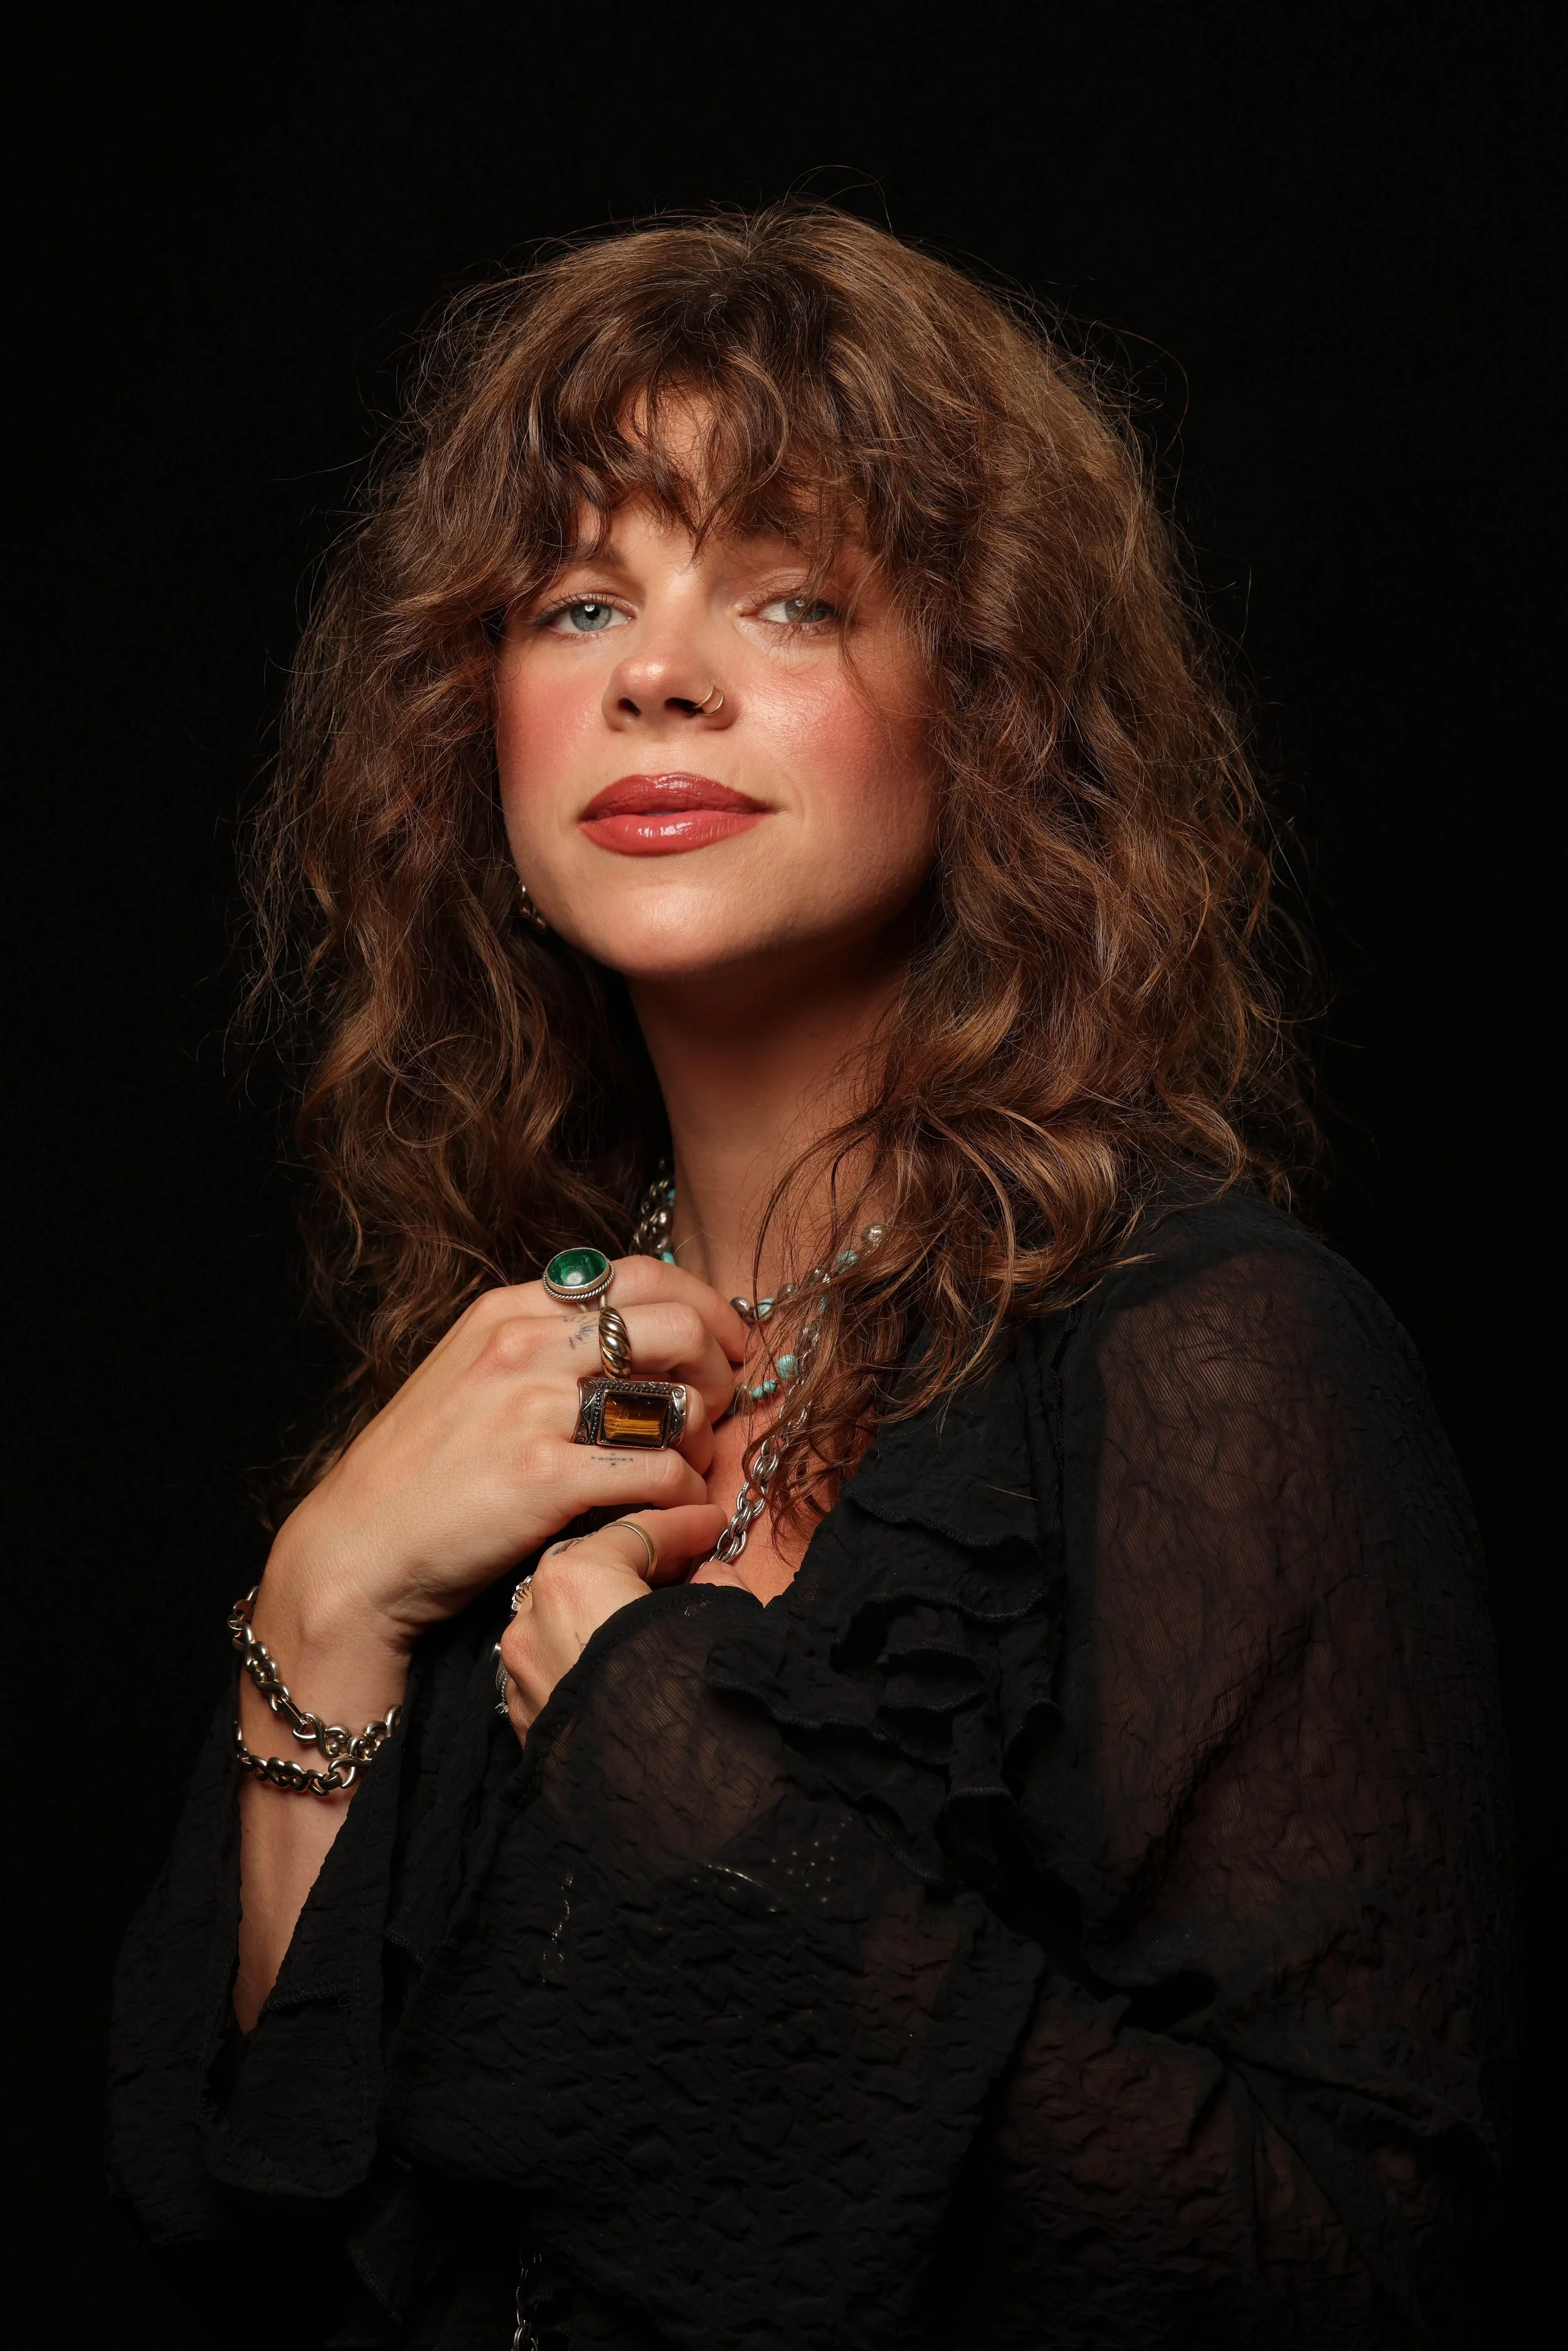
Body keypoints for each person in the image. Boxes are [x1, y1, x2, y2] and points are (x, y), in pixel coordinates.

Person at [107, 206, 1512, 2350]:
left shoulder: (1209, 1355)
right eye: (578, 598)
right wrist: (324, 1600)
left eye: (788, 594)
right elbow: (272, 2231)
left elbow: (1327, 2266)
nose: (655, 672)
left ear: (988, 709)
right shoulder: (485, 1401)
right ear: (474, 735)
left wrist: (666, 1761)